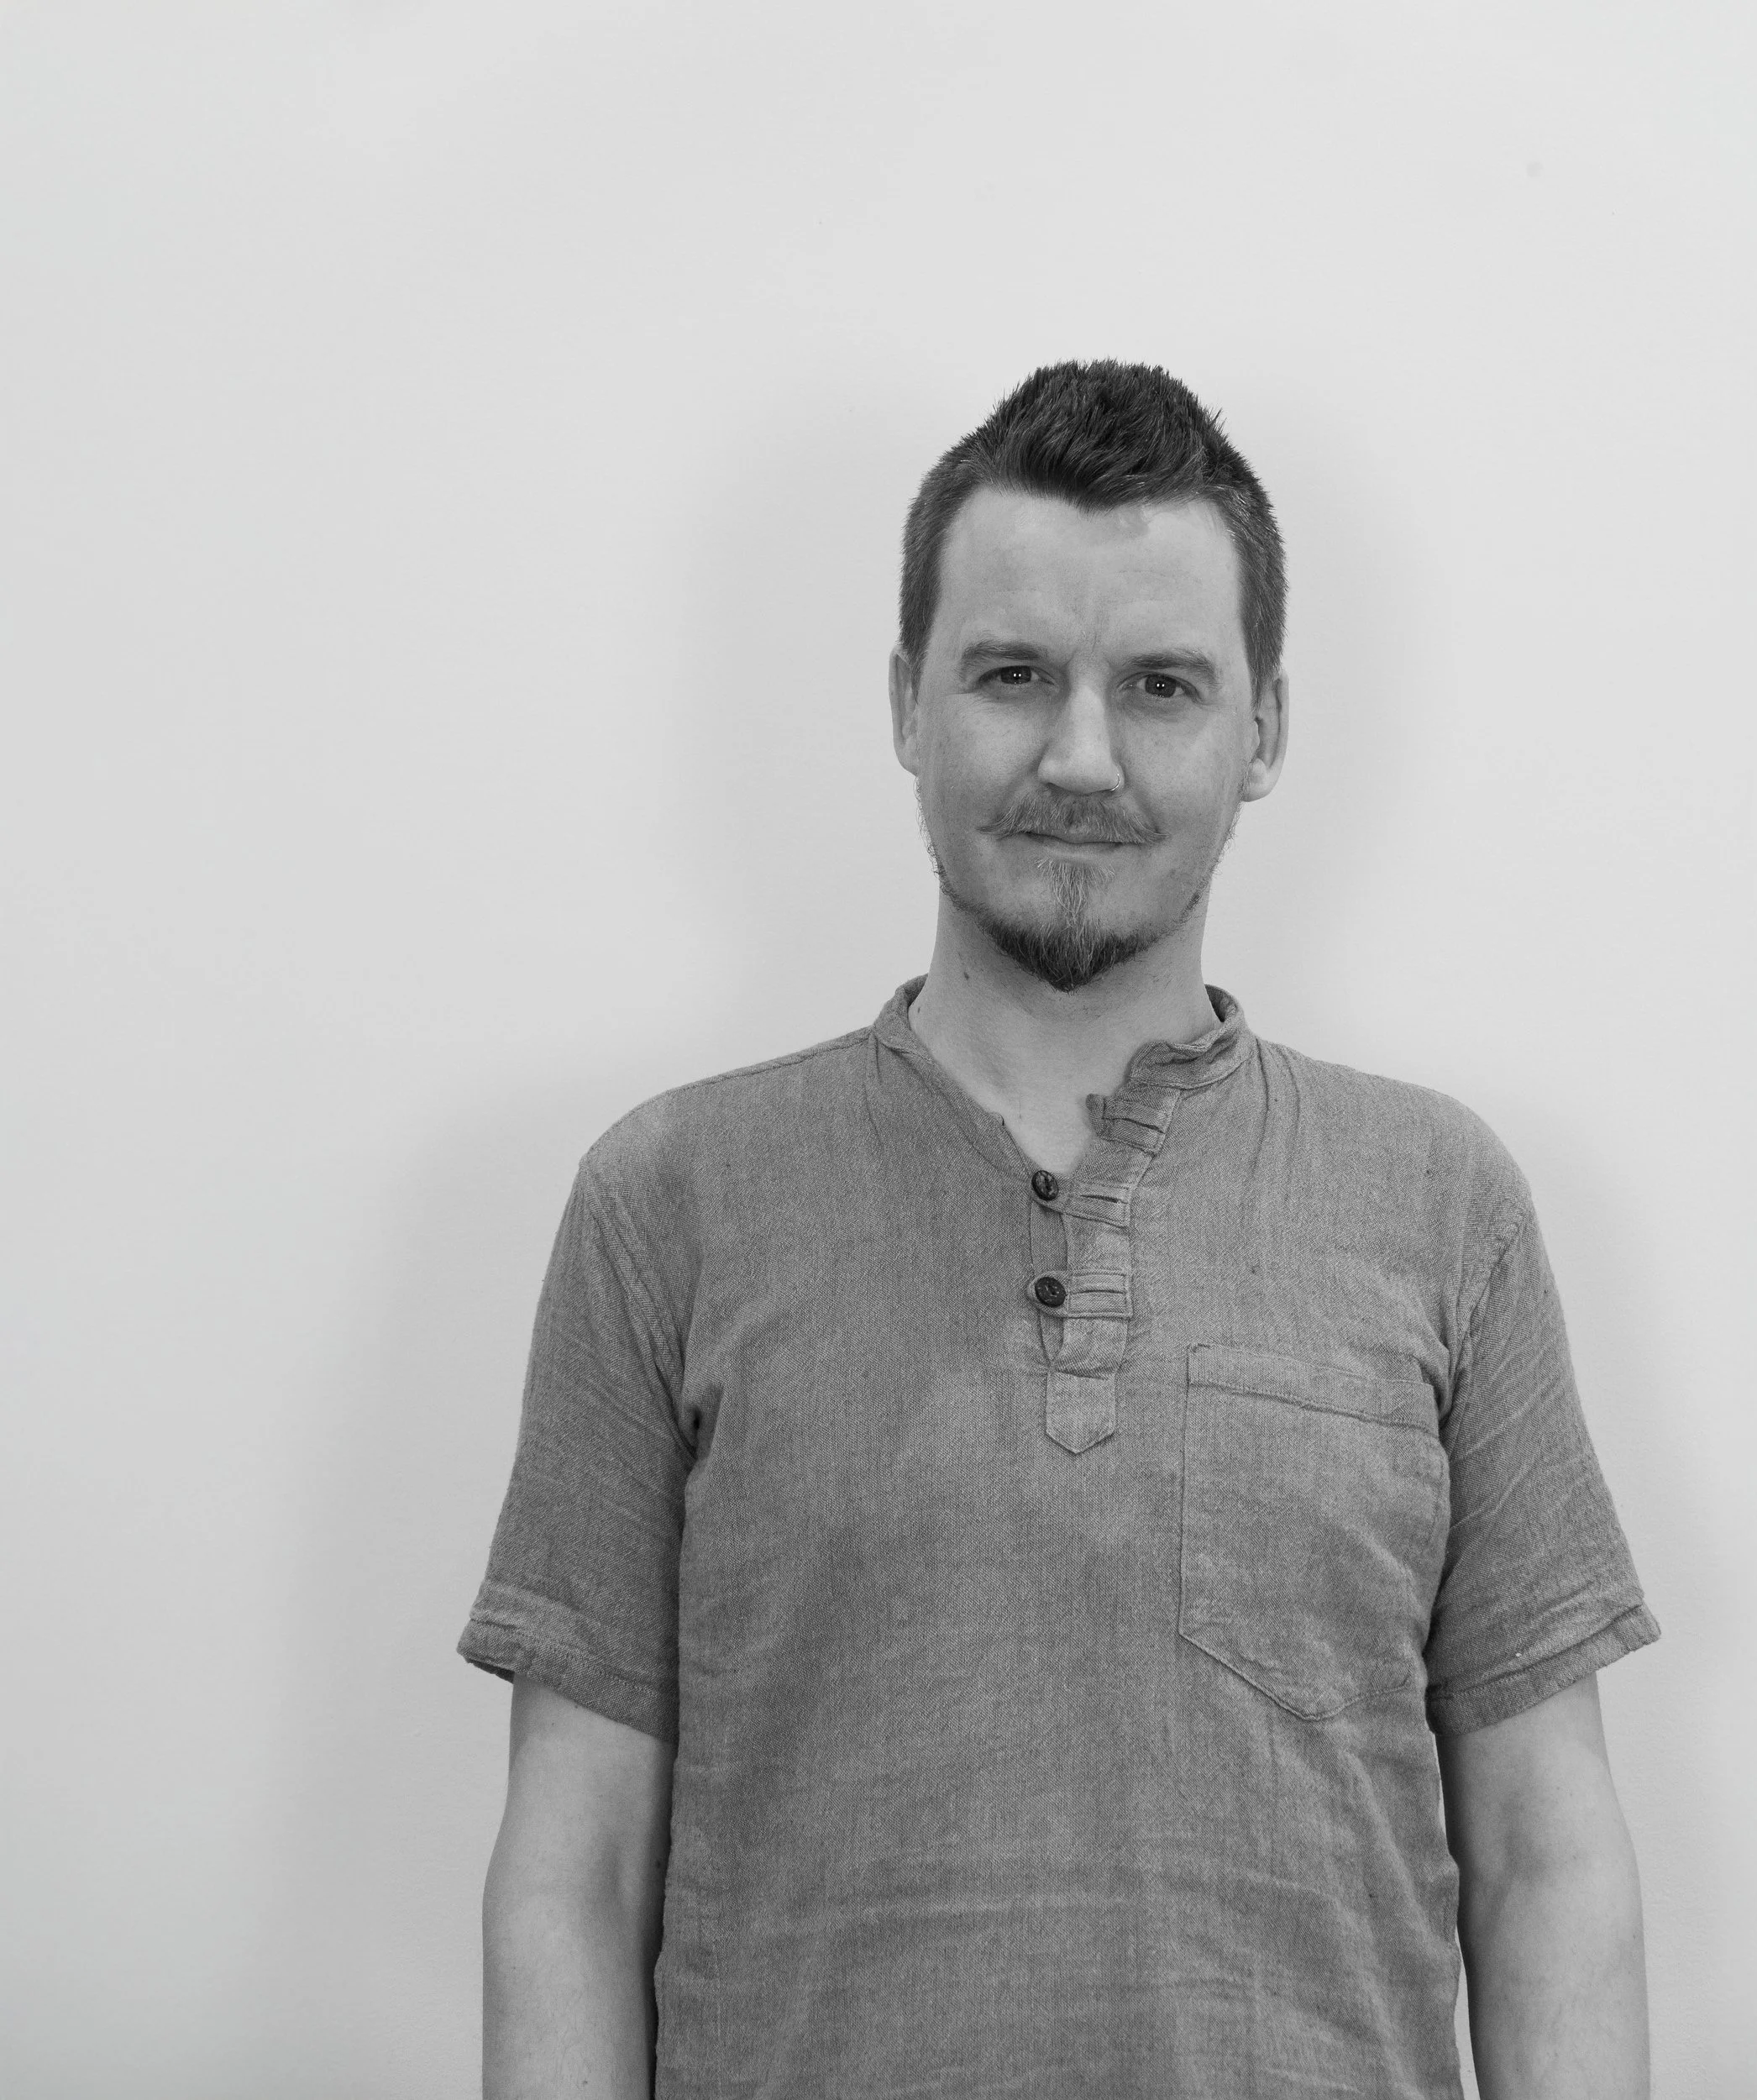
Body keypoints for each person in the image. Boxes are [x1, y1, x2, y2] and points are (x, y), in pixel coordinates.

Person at [462, 360, 1660, 2099]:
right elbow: (573, 1871)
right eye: (1013, 674)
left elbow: (1548, 1852)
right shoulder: (669, 1203)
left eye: (1160, 685)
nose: (1078, 754)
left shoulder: (1439, 1204)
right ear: (904, 703)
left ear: (1263, 729)